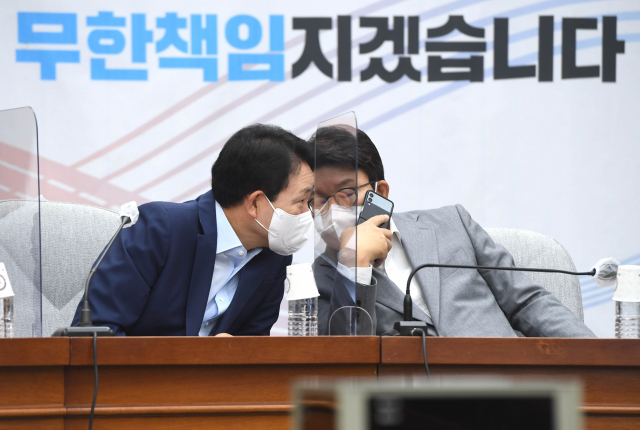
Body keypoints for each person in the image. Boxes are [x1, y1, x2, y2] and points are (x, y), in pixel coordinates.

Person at [310, 126, 595, 338]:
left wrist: (598, 358)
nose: (332, 209)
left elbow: (526, 302)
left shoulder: (452, 222)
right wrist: (353, 265)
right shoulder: (321, 278)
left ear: (380, 193)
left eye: (346, 193)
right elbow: (348, 360)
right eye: (319, 199)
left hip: (508, 385)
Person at [72, 124, 314, 336]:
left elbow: (254, 343)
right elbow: (96, 333)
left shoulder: (274, 254)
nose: (308, 213)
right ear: (255, 204)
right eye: (301, 201)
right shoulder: (162, 229)